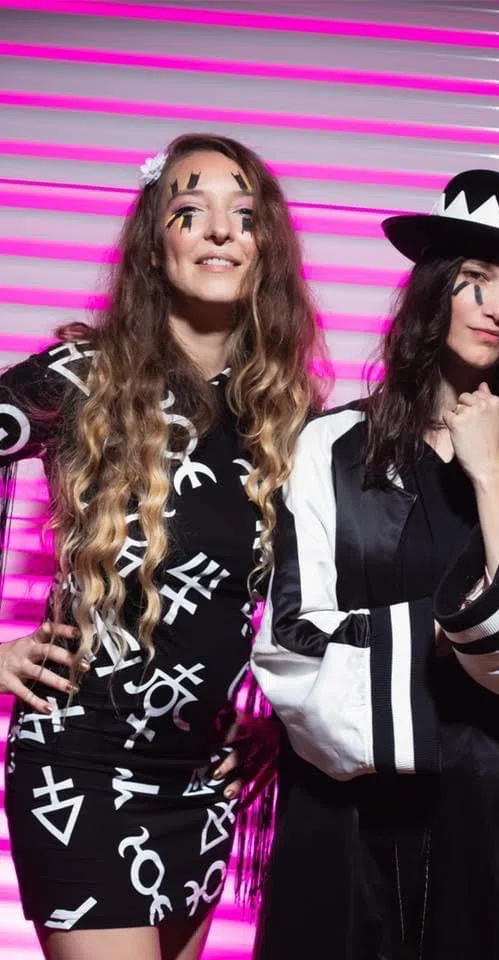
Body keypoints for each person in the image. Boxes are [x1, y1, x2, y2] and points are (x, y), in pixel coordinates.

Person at [252, 168, 499, 959]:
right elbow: (290, 644)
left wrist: (491, 473)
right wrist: (467, 616)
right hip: (349, 816)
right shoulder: (330, 446)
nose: (498, 307)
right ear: (433, 288)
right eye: (475, 280)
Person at [0, 133, 323, 959]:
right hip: (81, 762)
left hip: (201, 780)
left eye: (242, 215)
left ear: (264, 248)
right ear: (154, 245)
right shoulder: (83, 376)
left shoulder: (287, 416)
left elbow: (304, 596)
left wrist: (274, 719)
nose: (218, 230)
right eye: (190, 210)